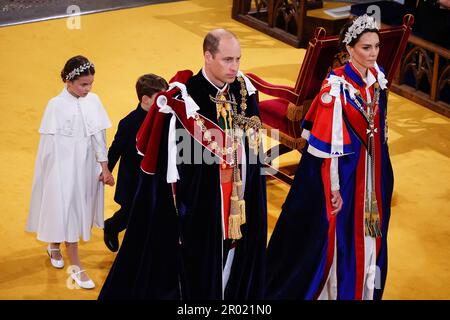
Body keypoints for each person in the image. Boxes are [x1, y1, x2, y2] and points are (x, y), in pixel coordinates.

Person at [98, 29, 267, 300]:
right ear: (208, 56)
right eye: (227, 60)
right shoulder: (185, 99)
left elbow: (253, 147)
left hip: (238, 197)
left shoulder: (243, 89)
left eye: (238, 59)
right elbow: (171, 169)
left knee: (234, 257)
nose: (234, 67)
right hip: (201, 206)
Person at [265, 15, 394, 300]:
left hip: (372, 171)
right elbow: (327, 146)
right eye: (366, 48)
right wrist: (334, 188)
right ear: (349, 49)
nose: (373, 53)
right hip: (345, 175)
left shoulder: (377, 78)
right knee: (340, 236)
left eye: (376, 46)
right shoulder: (335, 87)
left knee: (370, 232)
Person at [26, 55, 114, 290]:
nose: (88, 89)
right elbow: (49, 149)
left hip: (86, 169)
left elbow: (99, 137)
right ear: (68, 80)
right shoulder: (55, 105)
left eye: (90, 83)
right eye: (83, 84)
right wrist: (56, 177)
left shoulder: (94, 100)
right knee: (69, 211)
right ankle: (76, 266)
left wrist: (104, 167)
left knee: (74, 209)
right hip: (62, 170)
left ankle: (53, 243)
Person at [103, 74, 168, 252]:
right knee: (130, 213)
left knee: (154, 211)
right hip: (133, 179)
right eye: (160, 99)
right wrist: (106, 170)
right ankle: (111, 226)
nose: (165, 102)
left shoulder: (166, 119)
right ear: (145, 99)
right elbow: (115, 149)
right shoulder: (129, 123)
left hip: (156, 176)